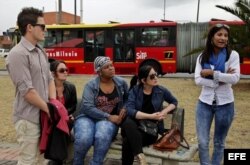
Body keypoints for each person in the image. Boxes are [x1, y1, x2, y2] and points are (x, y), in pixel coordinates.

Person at [6, 7, 56, 165]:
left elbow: (50, 79)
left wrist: (53, 104)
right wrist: (49, 109)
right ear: (29, 27)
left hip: (45, 116)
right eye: (42, 26)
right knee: (28, 161)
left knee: (42, 160)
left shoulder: (41, 51)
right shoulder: (17, 54)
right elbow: (27, 91)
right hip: (29, 118)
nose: (45, 30)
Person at [194, 24, 240, 165]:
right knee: (202, 142)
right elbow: (197, 79)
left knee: (219, 142)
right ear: (212, 37)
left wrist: (212, 73)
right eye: (219, 35)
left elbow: (235, 78)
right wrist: (220, 79)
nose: (223, 38)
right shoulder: (202, 56)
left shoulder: (232, 55)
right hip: (204, 103)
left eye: (225, 35)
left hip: (225, 104)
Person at [73, 56, 128, 165]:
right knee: (84, 138)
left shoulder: (121, 83)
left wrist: (124, 108)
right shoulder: (91, 85)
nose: (111, 68)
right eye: (106, 67)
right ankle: (77, 162)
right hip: (87, 117)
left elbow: (129, 99)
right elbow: (87, 107)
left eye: (111, 65)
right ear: (99, 71)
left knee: (102, 135)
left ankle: (96, 163)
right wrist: (108, 116)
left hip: (108, 122)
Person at [121, 65, 178, 165]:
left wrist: (163, 112)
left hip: (150, 131)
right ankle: (140, 156)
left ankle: (139, 157)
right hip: (133, 127)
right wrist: (151, 116)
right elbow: (129, 110)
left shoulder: (161, 91)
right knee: (129, 122)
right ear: (143, 80)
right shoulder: (135, 90)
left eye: (156, 75)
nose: (156, 78)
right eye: (152, 76)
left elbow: (174, 102)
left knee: (127, 142)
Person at [49, 60, 77, 164]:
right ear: (53, 73)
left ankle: (58, 159)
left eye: (66, 69)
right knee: (59, 129)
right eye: (61, 70)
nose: (65, 72)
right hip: (52, 120)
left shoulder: (70, 87)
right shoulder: (47, 88)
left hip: (66, 120)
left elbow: (73, 106)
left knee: (65, 126)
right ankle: (59, 158)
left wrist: (66, 114)